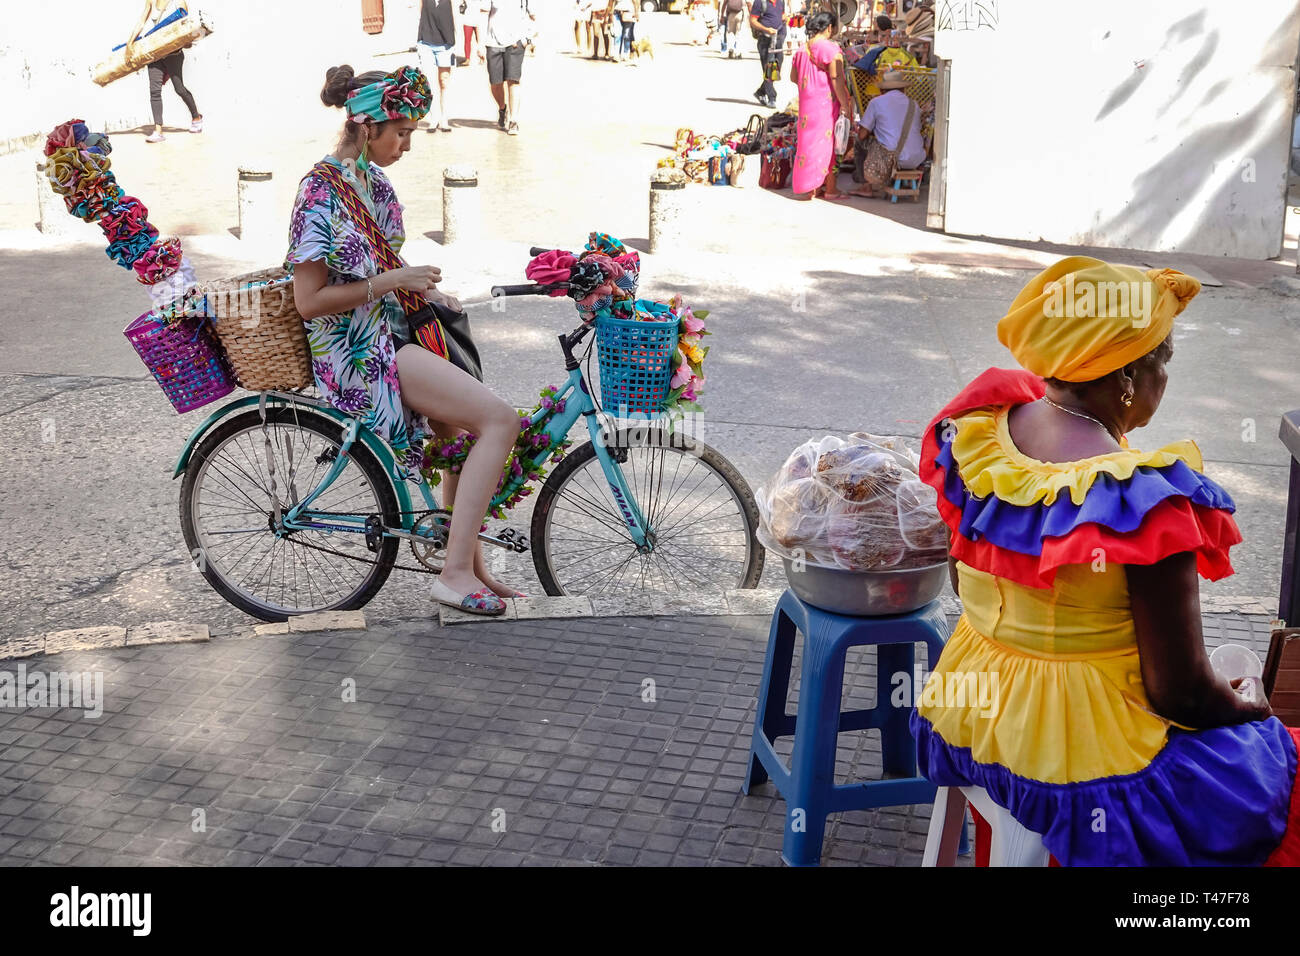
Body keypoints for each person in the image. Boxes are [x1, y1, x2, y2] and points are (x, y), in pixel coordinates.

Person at [913, 257, 1300, 866]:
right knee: (1273, 767)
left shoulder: (979, 439)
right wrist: (1249, 706)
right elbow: (1182, 693)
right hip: (1077, 764)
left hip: (967, 713)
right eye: (1162, 362)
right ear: (1128, 378)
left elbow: (965, 581)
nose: (1164, 381)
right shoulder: (1141, 501)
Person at [287, 65, 523, 616]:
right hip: (355, 354)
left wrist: (426, 294)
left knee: (461, 439)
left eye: (413, 133)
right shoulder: (319, 192)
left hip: (389, 335)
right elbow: (308, 301)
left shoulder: (373, 184)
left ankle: (466, 561)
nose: (408, 145)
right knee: (500, 421)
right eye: (402, 133)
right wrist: (392, 281)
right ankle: (455, 574)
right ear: (367, 127)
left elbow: (383, 270)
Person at [790, 11, 853, 200]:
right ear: (829, 28)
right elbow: (837, 78)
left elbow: (793, 77)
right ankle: (831, 190)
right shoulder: (831, 50)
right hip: (826, 105)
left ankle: (811, 188)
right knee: (830, 145)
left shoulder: (802, 49)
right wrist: (845, 104)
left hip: (807, 107)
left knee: (808, 146)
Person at [128, 1, 202, 144]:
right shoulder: (150, 1)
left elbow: (186, 27)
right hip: (155, 53)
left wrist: (188, 42)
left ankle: (196, 117)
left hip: (173, 54)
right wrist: (130, 42)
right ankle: (158, 131)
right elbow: (142, 22)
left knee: (179, 88)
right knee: (154, 91)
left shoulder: (179, 2)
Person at [849, 70, 925, 197]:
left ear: (882, 90)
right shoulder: (914, 104)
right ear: (903, 89)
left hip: (891, 159)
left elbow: (862, 134)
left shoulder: (876, 102)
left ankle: (865, 186)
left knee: (859, 142)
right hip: (916, 158)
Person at [479, 0, 536, 135]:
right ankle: (502, 108)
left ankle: (513, 120)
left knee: (513, 80)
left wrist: (527, 39)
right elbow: (483, 15)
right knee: (495, 82)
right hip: (493, 42)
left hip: (516, 43)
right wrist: (480, 44)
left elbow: (535, 17)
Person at [417, 0, 459, 132]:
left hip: (445, 43)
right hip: (425, 42)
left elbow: (455, 14)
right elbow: (419, 12)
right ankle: (434, 117)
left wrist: (456, 42)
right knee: (428, 81)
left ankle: (444, 118)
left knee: (444, 81)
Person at [749, 0, 786, 108]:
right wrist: (766, 29)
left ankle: (760, 92)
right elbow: (752, 20)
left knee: (776, 68)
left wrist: (785, 19)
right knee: (769, 68)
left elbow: (782, 15)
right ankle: (772, 97)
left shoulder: (780, 1)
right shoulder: (760, 2)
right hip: (765, 39)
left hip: (778, 39)